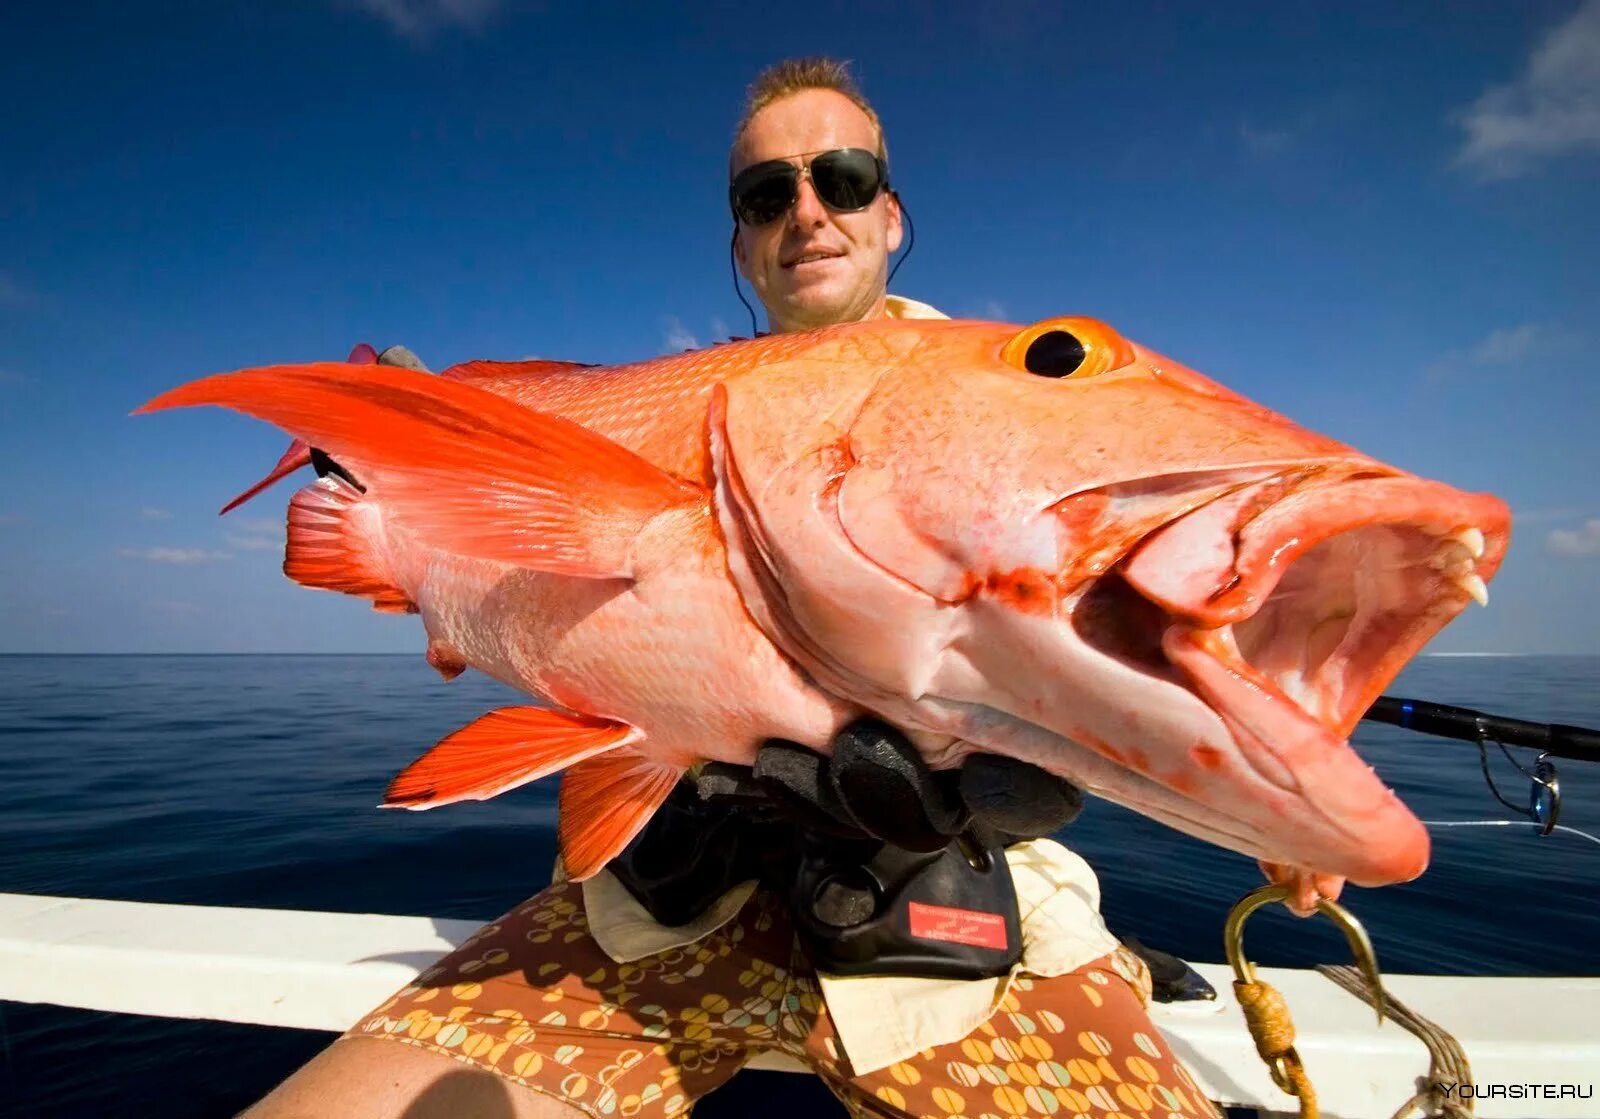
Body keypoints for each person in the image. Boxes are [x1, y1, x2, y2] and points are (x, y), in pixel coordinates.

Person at [245, 59, 1221, 1119]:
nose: (807, 214)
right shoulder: (670, 399)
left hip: (955, 929)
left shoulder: (1011, 393)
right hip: (668, 902)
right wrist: (425, 475)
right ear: (741, 242)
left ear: (889, 217)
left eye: (840, 181)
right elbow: (544, 599)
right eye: (767, 195)